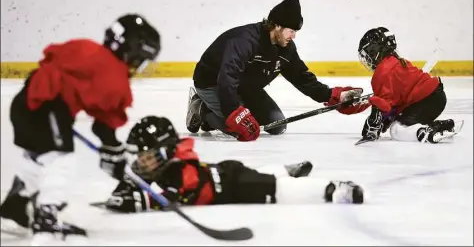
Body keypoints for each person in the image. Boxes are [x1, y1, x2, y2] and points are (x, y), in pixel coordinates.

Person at [0, 14, 161, 241]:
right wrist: (114, 152)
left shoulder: (86, 48)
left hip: (25, 103)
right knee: (60, 160)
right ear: (133, 51)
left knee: (37, 159)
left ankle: (15, 206)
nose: (138, 67)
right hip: (48, 108)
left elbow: (48, 66)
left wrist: (112, 151)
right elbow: (103, 127)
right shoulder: (114, 74)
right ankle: (47, 217)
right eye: (141, 60)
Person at [186, 0, 367, 141]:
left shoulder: (285, 49)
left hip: (245, 87)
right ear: (277, 25)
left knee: (277, 125)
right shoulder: (244, 41)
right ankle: (202, 108)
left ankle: (217, 113)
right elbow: (227, 77)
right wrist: (234, 111)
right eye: (291, 30)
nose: (294, 36)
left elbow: (301, 77)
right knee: (241, 130)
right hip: (213, 84)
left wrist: (332, 96)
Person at [102, 116, 365, 214]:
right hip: (226, 171)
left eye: (147, 155)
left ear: (164, 151)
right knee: (258, 175)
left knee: (277, 190)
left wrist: (142, 202)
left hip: (233, 185)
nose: (142, 162)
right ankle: (287, 169)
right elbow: (137, 186)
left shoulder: (181, 170)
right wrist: (125, 187)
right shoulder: (166, 165)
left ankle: (333, 189)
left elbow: (179, 192)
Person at [356, 26, 459, 144]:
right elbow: (397, 99)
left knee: (396, 130)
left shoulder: (381, 73)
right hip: (435, 97)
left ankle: (427, 132)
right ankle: (440, 126)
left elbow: (384, 105)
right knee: (406, 122)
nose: (367, 59)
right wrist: (386, 117)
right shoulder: (398, 61)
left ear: (376, 50)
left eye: (368, 53)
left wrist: (374, 122)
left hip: (425, 100)